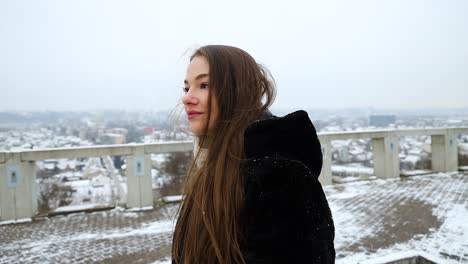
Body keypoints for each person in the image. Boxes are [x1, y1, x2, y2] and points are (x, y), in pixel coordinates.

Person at [172, 45, 335, 263]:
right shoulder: (212, 168)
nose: (187, 98)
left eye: (204, 85)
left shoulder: (281, 179)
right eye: (186, 88)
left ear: (238, 91)